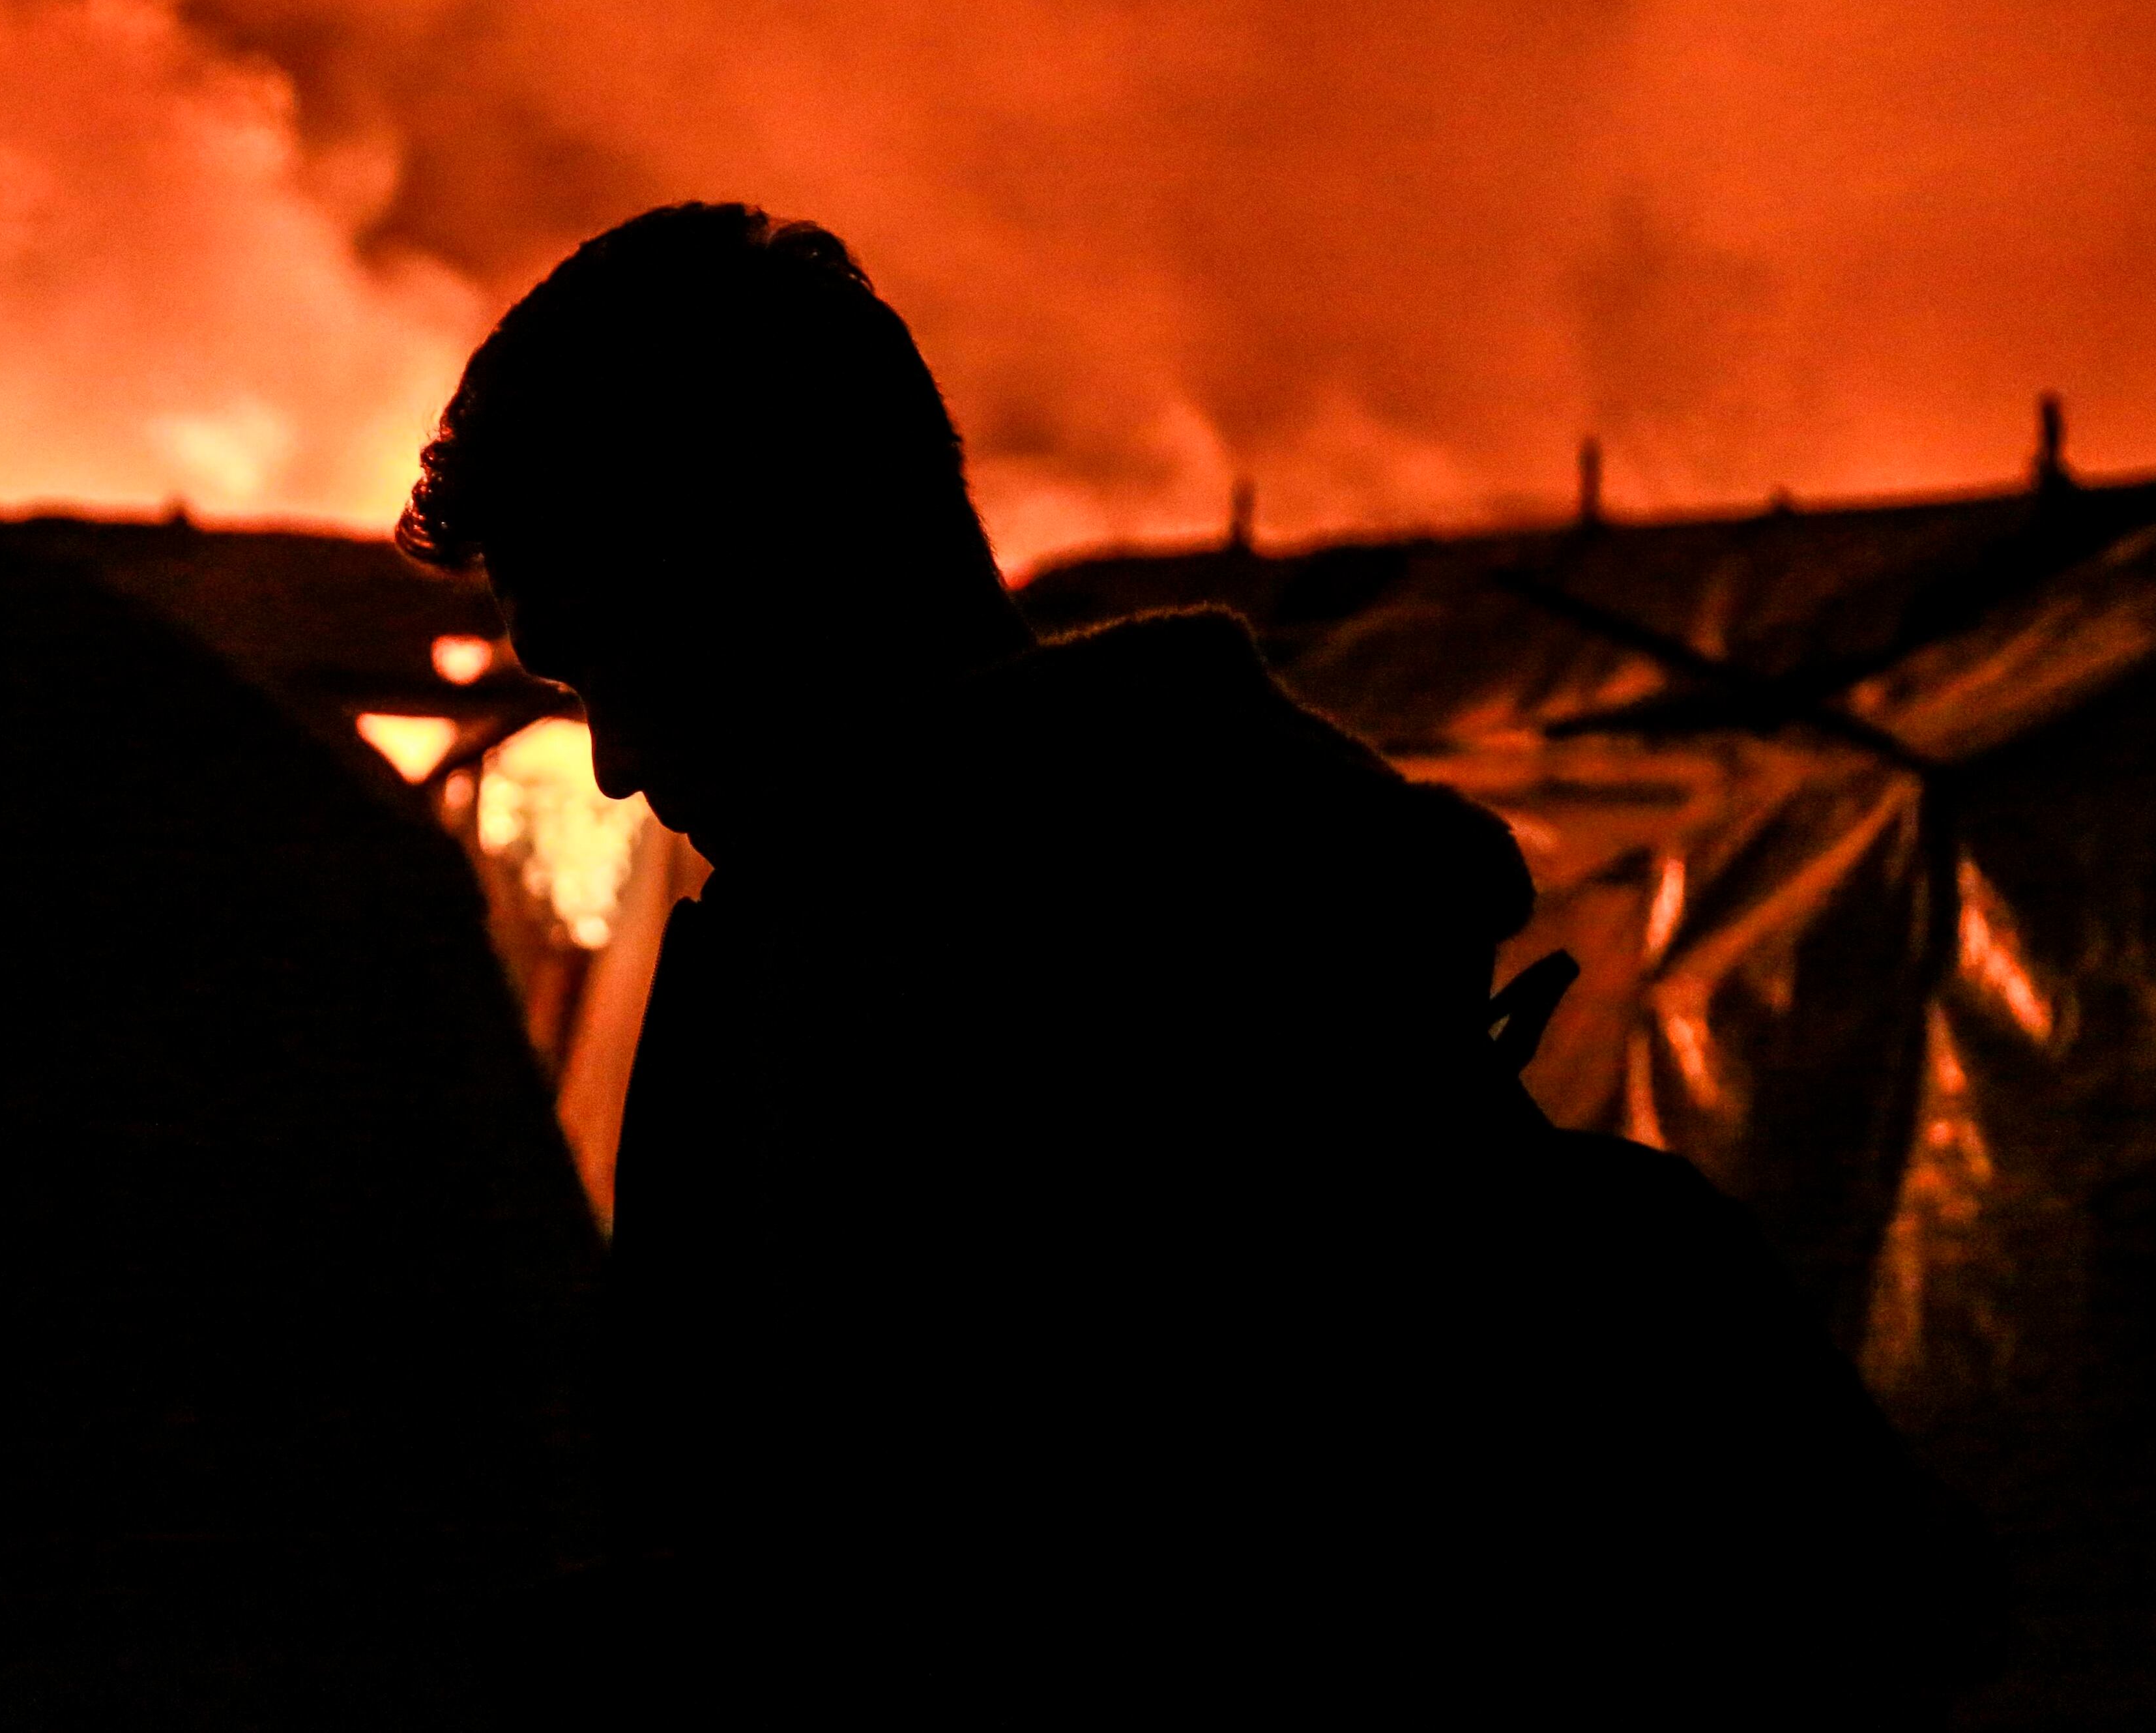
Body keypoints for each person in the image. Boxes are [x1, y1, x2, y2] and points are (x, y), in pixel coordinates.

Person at [401, 203, 1998, 1728]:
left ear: (762, 574)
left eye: (602, 657)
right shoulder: (1288, 989)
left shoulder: (912, 1026)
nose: (612, 761)